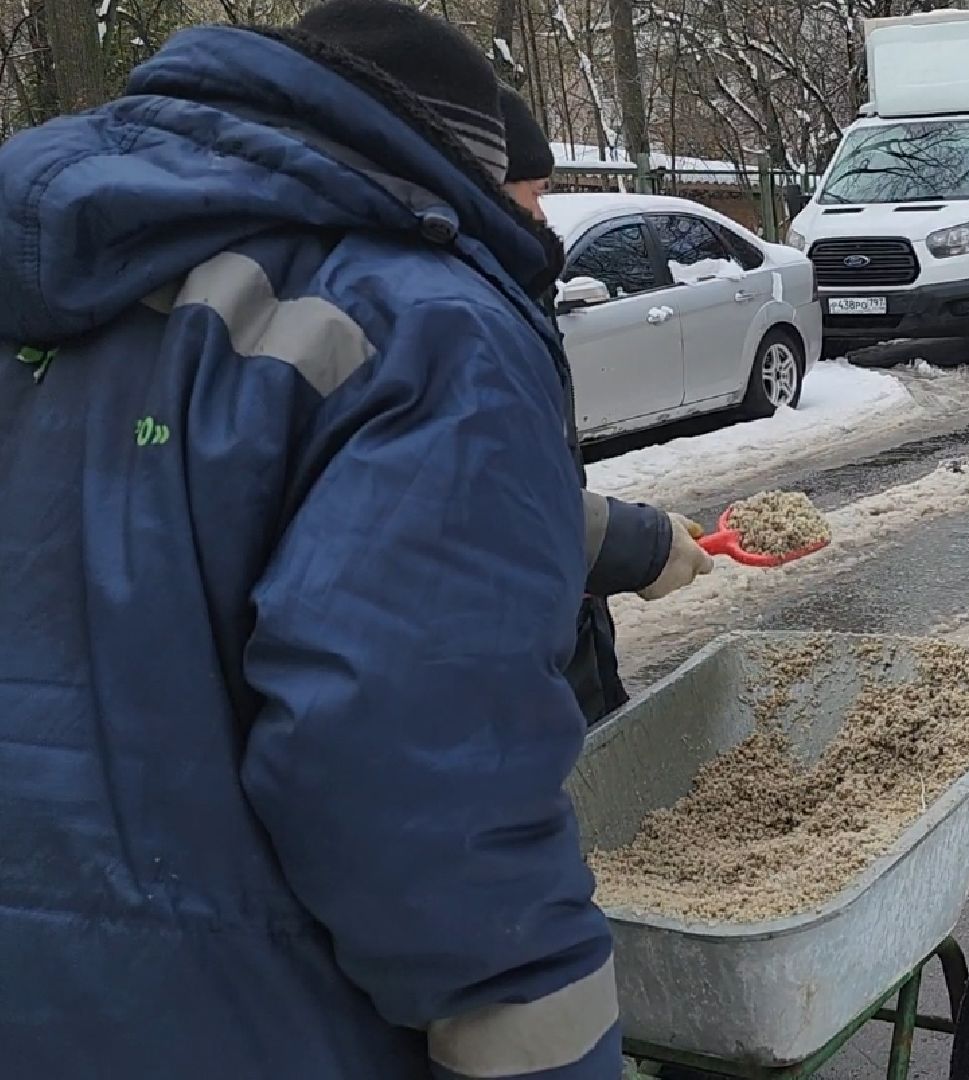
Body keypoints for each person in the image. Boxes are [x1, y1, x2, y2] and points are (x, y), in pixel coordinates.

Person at [0, 2, 641, 1076]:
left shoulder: (64, 279)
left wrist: (647, 542)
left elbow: (200, 510)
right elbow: (409, 761)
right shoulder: (430, 321)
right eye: (531, 195)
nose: (541, 224)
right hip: (240, 1019)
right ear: (468, 168)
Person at [498, 83, 711, 722]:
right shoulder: (452, 311)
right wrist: (638, 546)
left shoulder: (500, 283)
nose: (543, 218)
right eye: (536, 195)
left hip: (557, 640)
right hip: (514, 692)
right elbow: (486, 508)